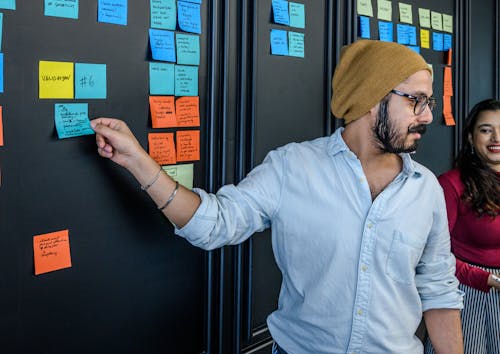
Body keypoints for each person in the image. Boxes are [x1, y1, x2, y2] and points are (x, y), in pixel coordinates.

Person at [91, 40, 464, 354]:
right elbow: (215, 224)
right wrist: (138, 160)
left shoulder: (425, 189)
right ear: (370, 98)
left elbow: (439, 292)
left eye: (429, 102)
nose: (427, 116)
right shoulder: (292, 166)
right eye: (416, 100)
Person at [424, 99, 500, 354]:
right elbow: (434, 256)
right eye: (486, 129)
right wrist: (487, 278)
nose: (496, 137)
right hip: (468, 296)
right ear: (470, 137)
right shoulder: (451, 184)